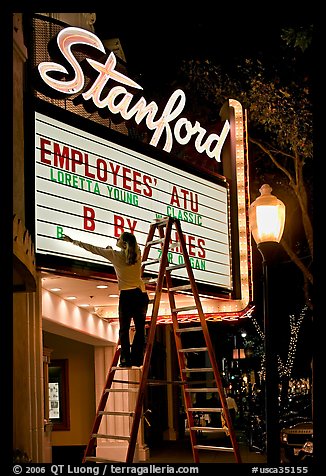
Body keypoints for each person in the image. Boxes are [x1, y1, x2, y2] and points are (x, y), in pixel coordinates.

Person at [63, 232, 149, 367]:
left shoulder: (115, 256)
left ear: (124, 244)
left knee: (124, 329)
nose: (117, 239)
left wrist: (73, 241)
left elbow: (93, 249)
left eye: (119, 238)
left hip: (127, 295)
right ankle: (137, 359)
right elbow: (128, 253)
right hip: (141, 294)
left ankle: (126, 359)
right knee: (139, 328)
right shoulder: (137, 253)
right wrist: (111, 250)